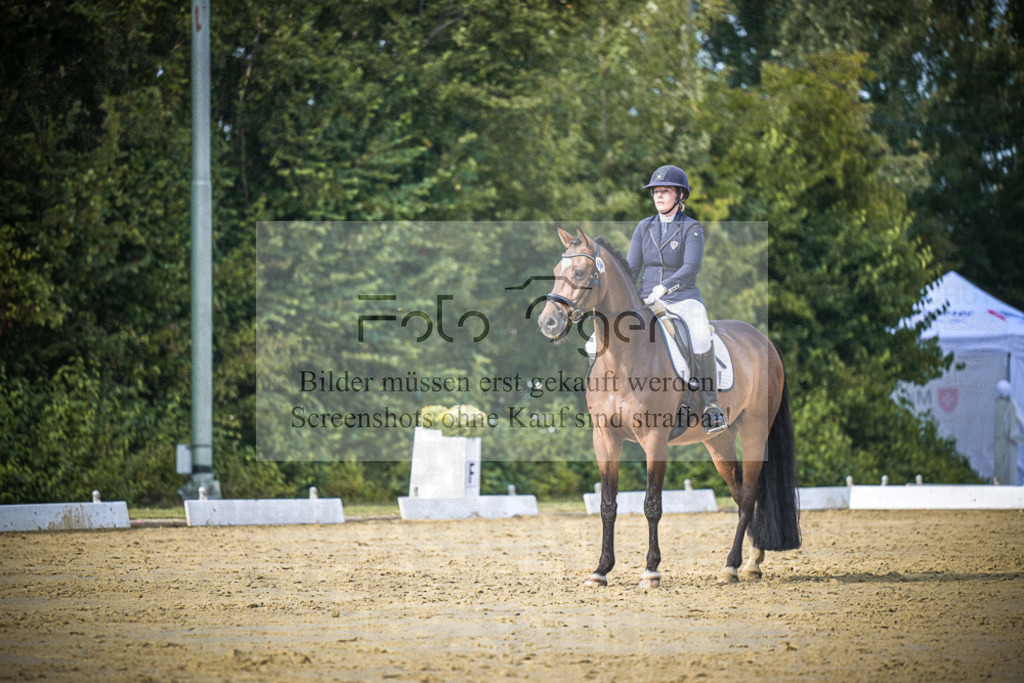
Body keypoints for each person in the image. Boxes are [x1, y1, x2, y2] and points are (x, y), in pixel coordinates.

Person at [626, 164, 727, 436]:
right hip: (646, 299)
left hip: (682, 297)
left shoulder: (691, 228)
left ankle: (710, 405)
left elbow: (690, 268)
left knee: (701, 334)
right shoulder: (643, 227)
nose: (659, 196)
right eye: (656, 192)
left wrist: (665, 288)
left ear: (680, 195)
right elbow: (631, 268)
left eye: (665, 191)